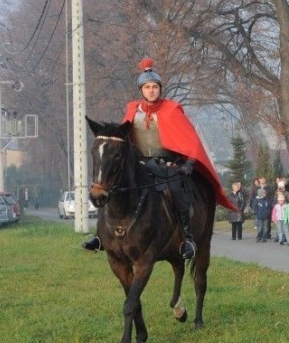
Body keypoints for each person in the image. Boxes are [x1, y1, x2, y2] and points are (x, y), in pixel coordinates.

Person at [82, 58, 236, 258]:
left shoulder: (171, 110)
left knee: (176, 191)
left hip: (166, 165)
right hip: (140, 164)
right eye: (147, 87)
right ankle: (100, 237)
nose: (151, 90)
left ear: (160, 89)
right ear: (141, 90)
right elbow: (122, 138)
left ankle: (187, 239)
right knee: (114, 188)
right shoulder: (133, 111)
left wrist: (188, 163)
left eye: (155, 87)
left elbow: (190, 140)